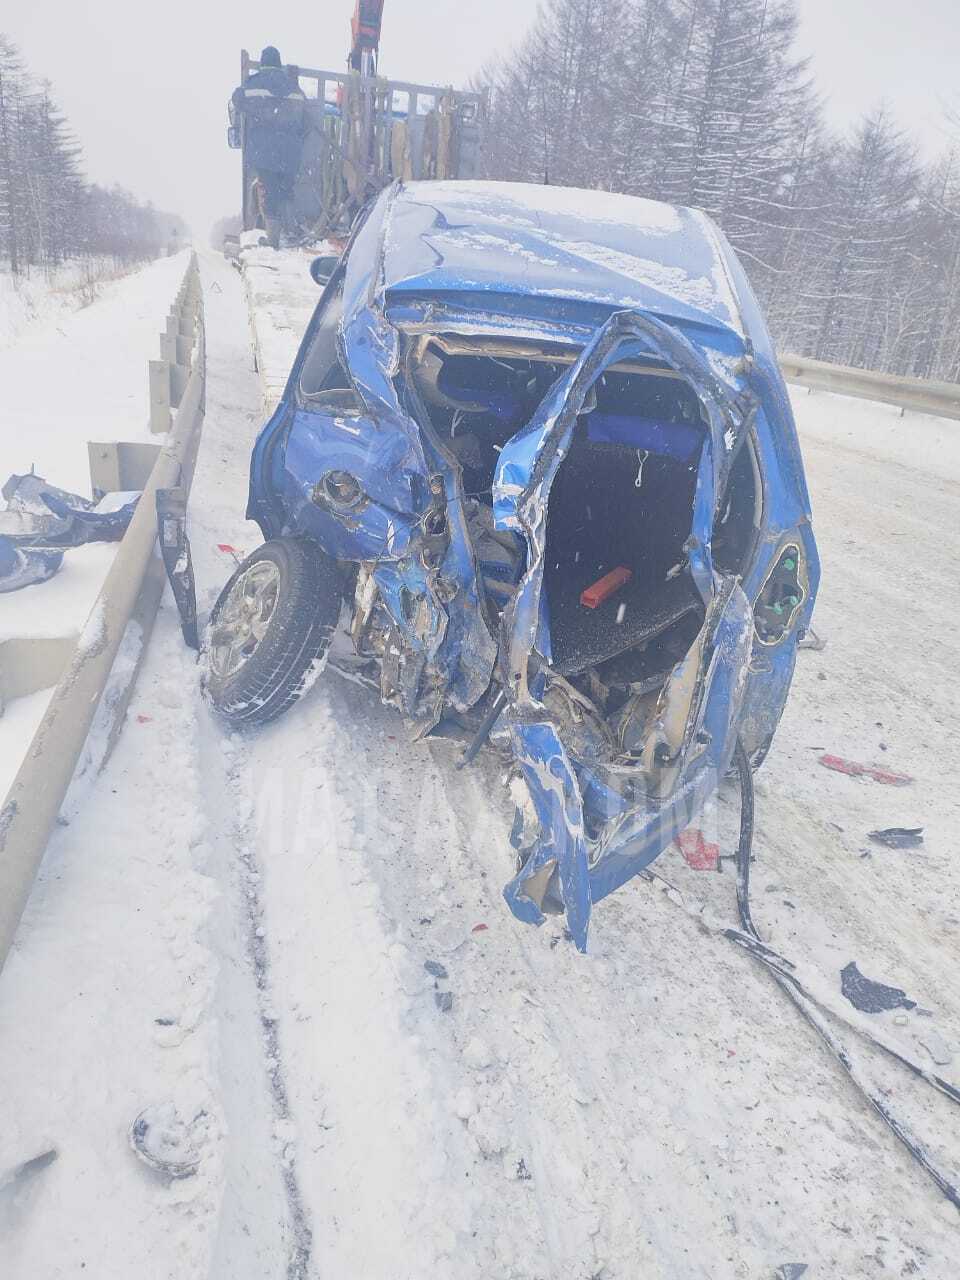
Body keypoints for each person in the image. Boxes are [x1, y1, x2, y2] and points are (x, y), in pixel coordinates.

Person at [232, 47, 307, 246]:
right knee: (286, 190)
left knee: (270, 193)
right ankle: (291, 231)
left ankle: (273, 238)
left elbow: (237, 99)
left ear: (263, 64)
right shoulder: (294, 88)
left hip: (265, 152)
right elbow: (305, 121)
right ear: (279, 64)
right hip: (291, 152)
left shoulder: (254, 84)